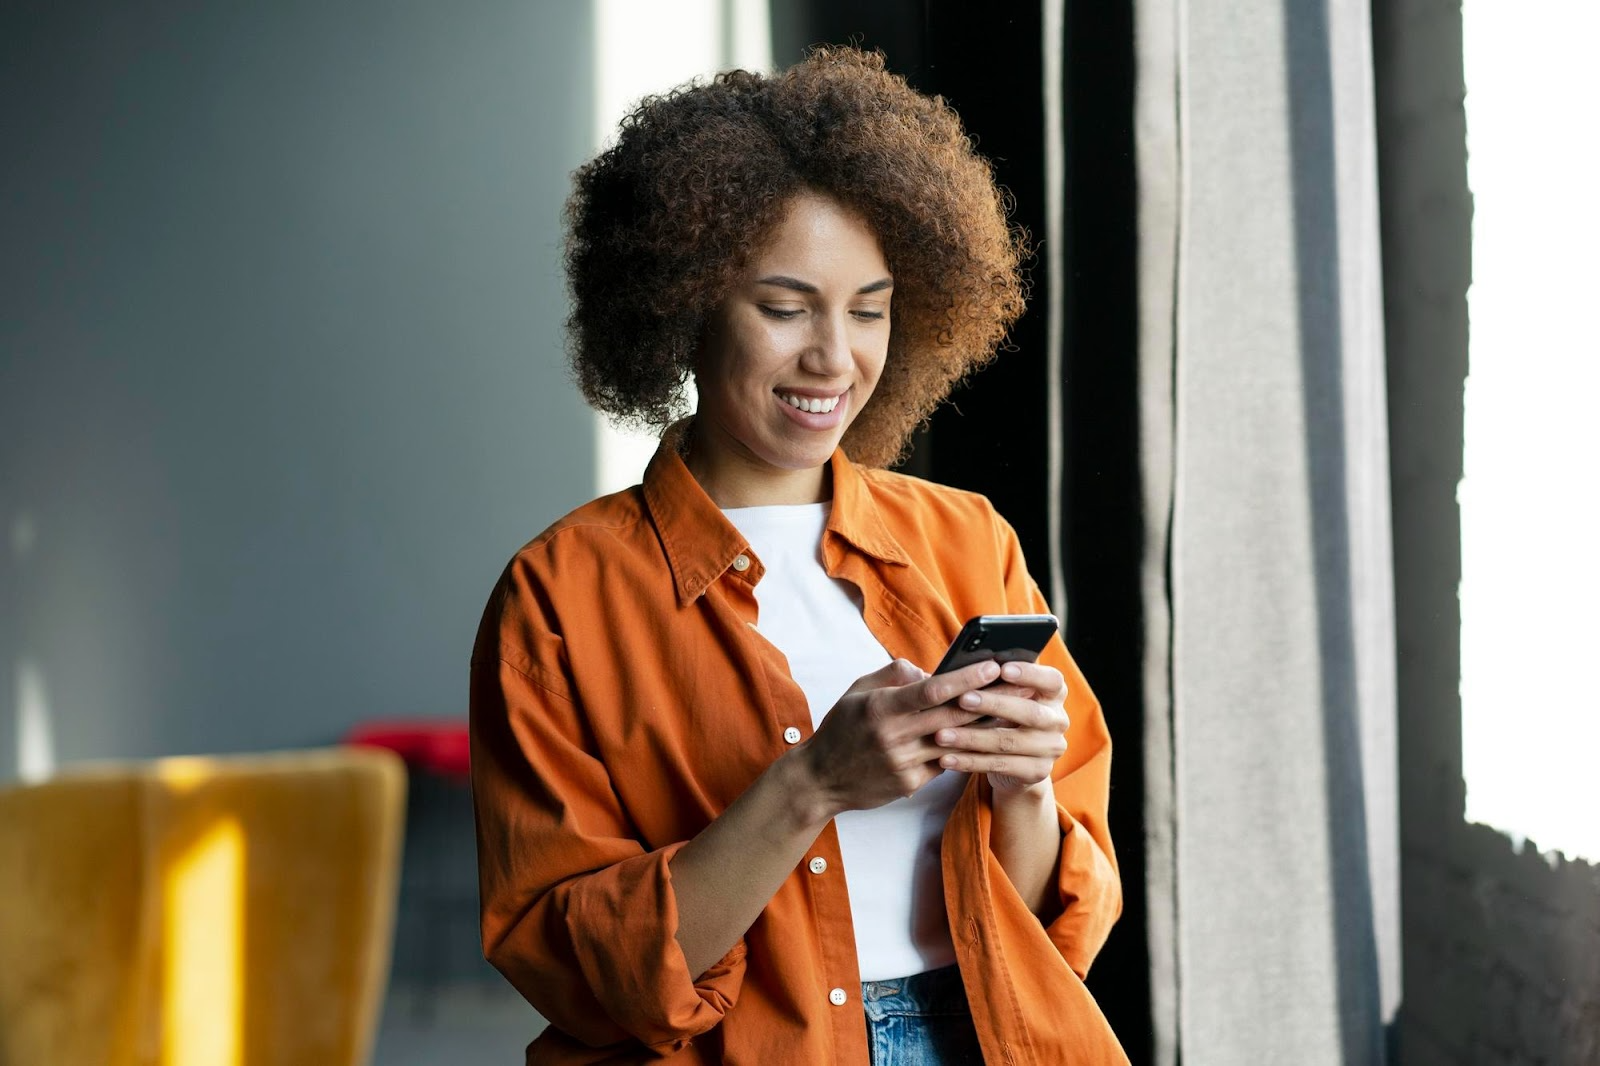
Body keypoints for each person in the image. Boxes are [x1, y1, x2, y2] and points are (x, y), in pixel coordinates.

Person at [470, 47, 1127, 1066]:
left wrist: (1023, 791)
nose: (834, 355)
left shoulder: (967, 540)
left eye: (868, 307)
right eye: (785, 307)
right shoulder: (559, 596)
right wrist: (811, 781)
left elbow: (1052, 929)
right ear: (683, 302)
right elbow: (583, 972)